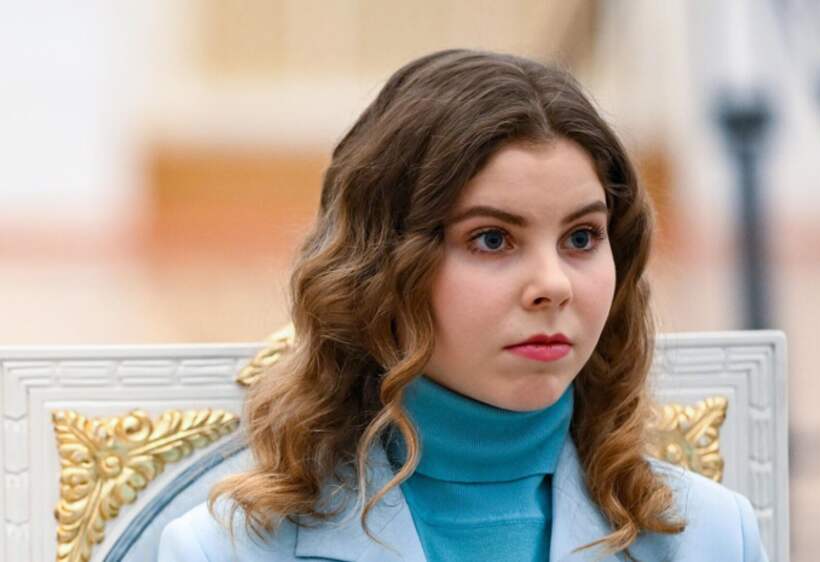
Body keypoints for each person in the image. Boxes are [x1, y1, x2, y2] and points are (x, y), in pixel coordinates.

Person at [157, 48, 768, 562]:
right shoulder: (224, 551)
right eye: (492, 239)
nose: (553, 284)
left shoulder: (713, 536)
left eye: (582, 237)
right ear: (381, 270)